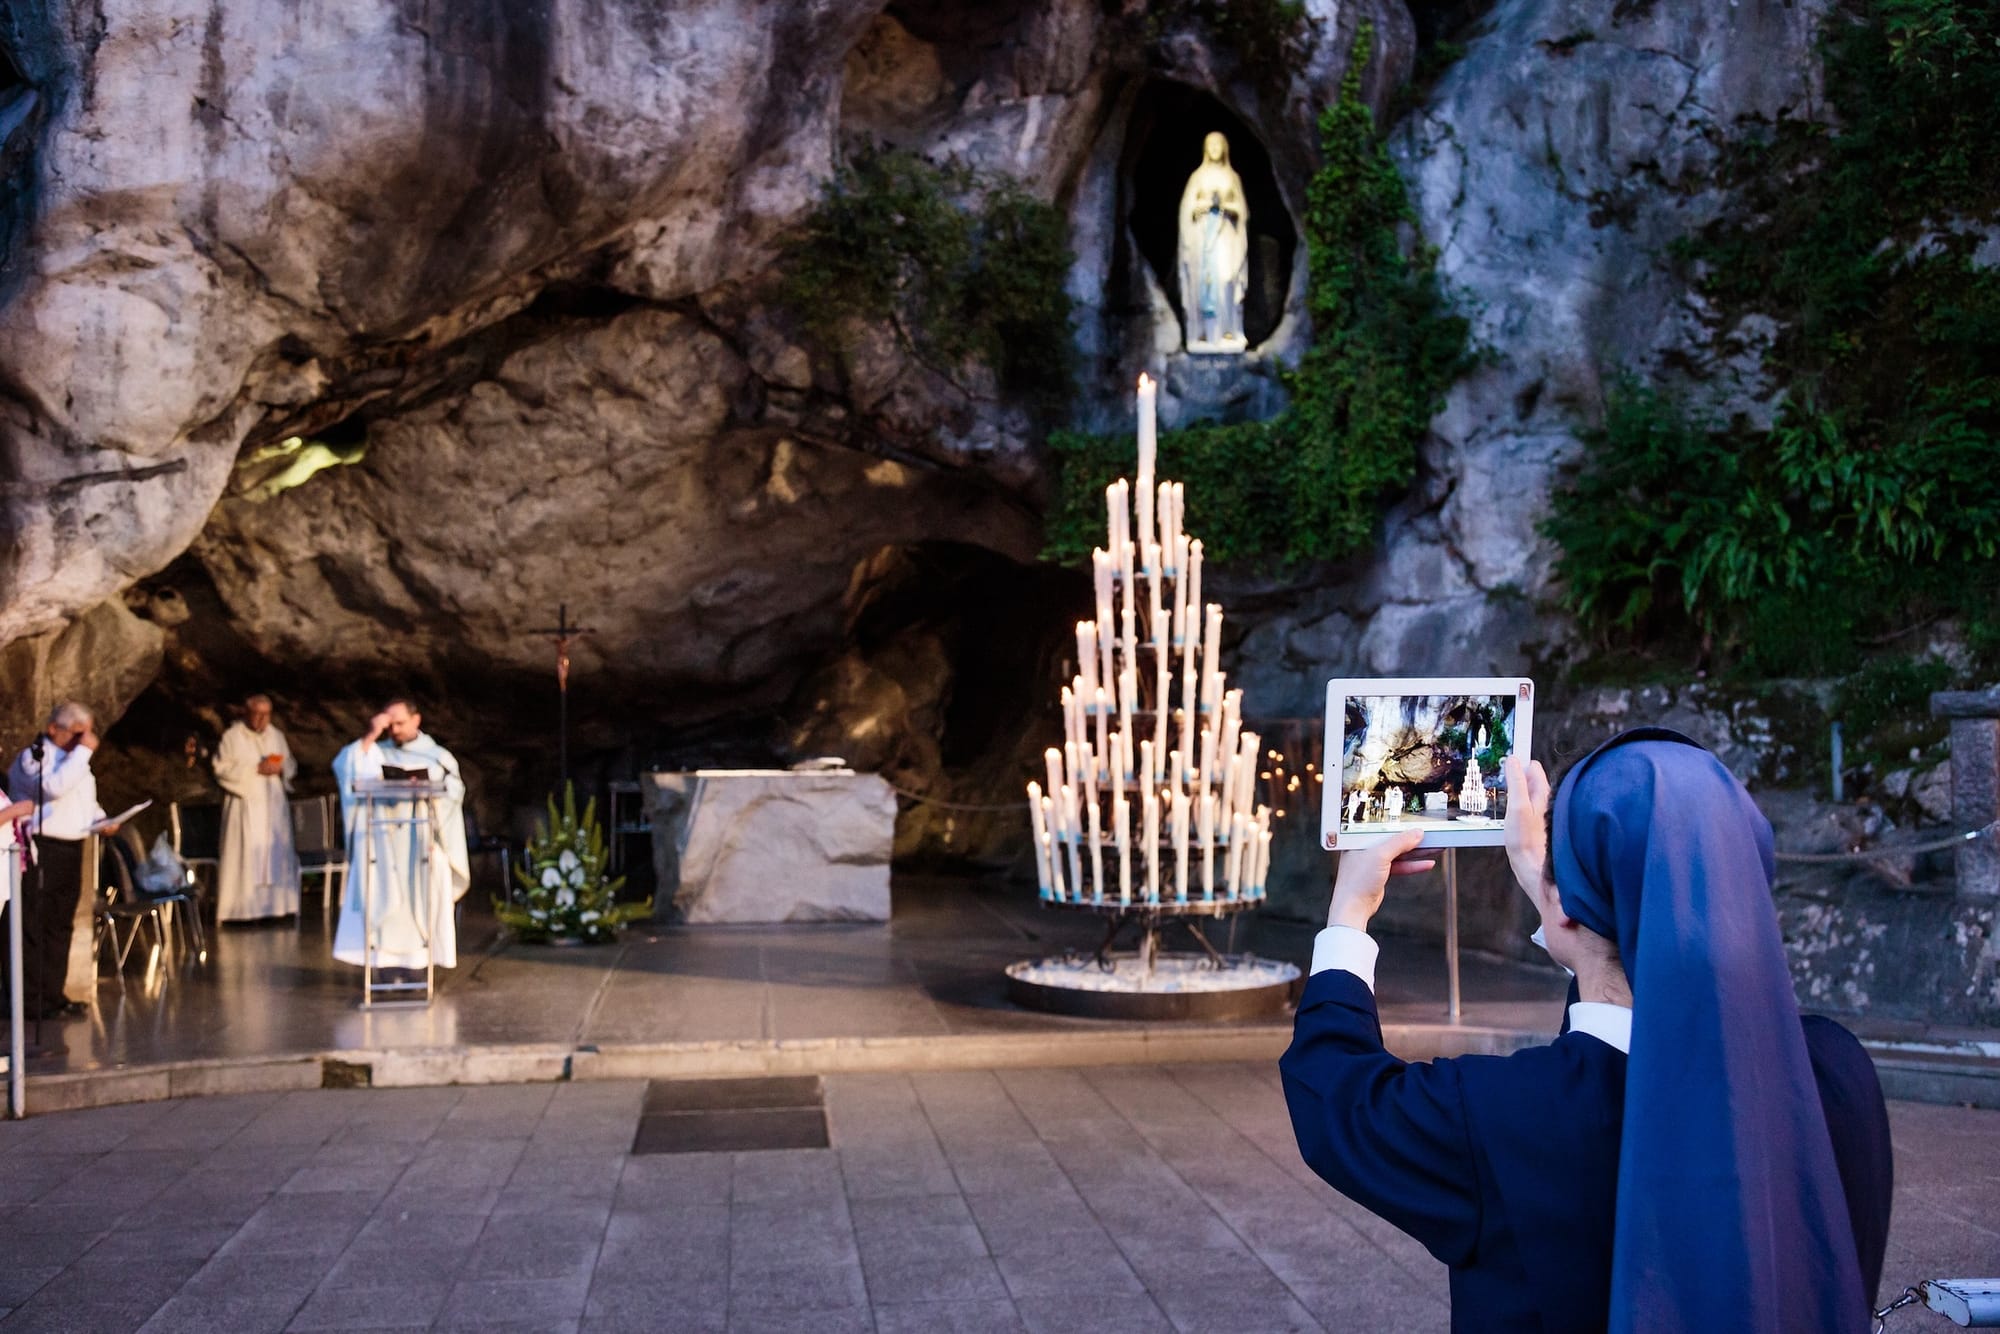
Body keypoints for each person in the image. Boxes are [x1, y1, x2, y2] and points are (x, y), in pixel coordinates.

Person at [1282, 729, 1893, 1333]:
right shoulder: (1836, 1074)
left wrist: (1349, 911)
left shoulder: (1508, 1115)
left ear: (1568, 906)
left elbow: (1339, 1098)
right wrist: (1557, 892)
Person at [330, 698, 468, 971]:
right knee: (383, 903)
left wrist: (430, 790)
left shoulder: (437, 756)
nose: (394, 730)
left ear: (416, 720)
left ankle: (419, 965)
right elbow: (346, 767)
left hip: (422, 845)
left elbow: (455, 791)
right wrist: (372, 734)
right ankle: (384, 968)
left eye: (400, 723)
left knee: (423, 904)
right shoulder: (375, 753)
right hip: (383, 848)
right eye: (389, 725)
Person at [6, 703, 120, 1019]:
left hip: (72, 848)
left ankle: (53, 996)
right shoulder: (34, 757)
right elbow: (53, 788)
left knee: (60, 924)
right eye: (78, 733)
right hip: (40, 848)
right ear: (54, 728)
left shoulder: (76, 762)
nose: (84, 740)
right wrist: (82, 753)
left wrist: (102, 820)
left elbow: (83, 798)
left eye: (87, 734)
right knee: (34, 924)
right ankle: (29, 1000)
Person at [213, 693, 301, 922]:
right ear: (247, 713)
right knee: (245, 855)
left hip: (273, 807)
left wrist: (281, 769)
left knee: (274, 853)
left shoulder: (276, 736)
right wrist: (255, 769)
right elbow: (221, 769)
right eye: (257, 714)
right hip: (245, 805)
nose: (262, 719)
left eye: (266, 714)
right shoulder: (232, 736)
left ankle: (277, 909)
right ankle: (241, 911)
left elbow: (290, 763)